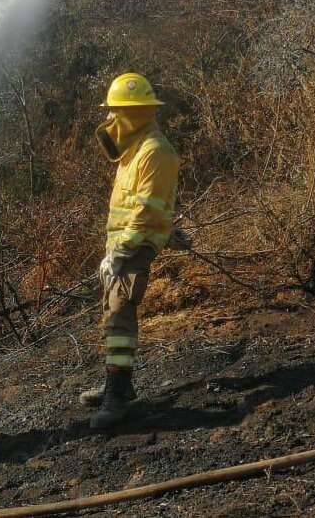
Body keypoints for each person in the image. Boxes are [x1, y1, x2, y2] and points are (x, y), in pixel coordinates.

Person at [85, 73, 186, 429]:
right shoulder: (134, 151)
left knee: (120, 316)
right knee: (111, 316)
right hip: (122, 246)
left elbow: (145, 211)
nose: (109, 119)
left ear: (133, 114)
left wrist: (120, 253)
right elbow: (143, 205)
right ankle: (117, 387)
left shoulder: (154, 151)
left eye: (115, 112)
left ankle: (118, 398)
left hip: (131, 248)